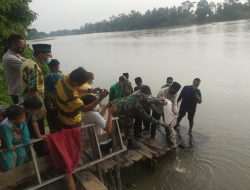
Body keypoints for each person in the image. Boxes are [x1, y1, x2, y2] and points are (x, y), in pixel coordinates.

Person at [46, 67, 109, 190]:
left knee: (72, 140)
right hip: (71, 122)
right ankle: (74, 160)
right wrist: (100, 98)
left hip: (62, 115)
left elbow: (77, 88)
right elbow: (86, 108)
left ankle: (74, 157)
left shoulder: (64, 78)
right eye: (81, 84)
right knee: (74, 143)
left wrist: (92, 90)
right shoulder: (70, 95)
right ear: (76, 82)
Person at [112, 85, 169, 149]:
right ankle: (130, 144)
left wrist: (159, 101)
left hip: (117, 103)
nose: (148, 98)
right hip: (117, 110)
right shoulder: (137, 106)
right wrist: (161, 124)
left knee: (127, 122)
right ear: (144, 95)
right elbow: (148, 117)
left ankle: (121, 137)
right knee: (129, 124)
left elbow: (150, 98)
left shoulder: (139, 95)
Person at [0, 105, 30, 171]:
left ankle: (18, 172)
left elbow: (25, 133)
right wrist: (10, 146)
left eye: (24, 116)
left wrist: (27, 142)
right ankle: (8, 175)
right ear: (13, 119)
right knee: (8, 161)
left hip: (17, 142)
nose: (24, 118)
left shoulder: (22, 122)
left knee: (22, 155)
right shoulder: (5, 126)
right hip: (4, 145)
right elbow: (7, 137)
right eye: (22, 117)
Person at [2, 34, 26, 104]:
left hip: (20, 93)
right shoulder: (9, 58)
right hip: (17, 94)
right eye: (21, 45)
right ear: (13, 45)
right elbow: (28, 67)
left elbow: (28, 61)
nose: (23, 47)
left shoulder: (17, 56)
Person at [44, 59, 62, 133]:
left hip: (59, 115)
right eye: (57, 67)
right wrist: (60, 106)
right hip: (53, 117)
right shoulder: (49, 94)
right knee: (55, 132)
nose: (58, 69)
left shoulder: (57, 91)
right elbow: (50, 108)